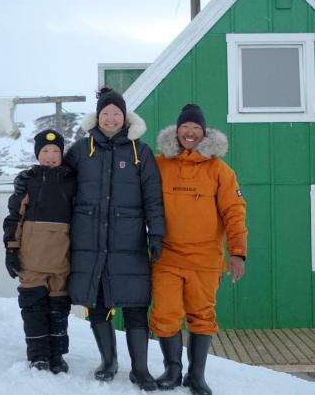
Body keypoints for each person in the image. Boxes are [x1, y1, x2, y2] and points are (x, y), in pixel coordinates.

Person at [64, 87, 165, 391]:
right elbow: (62, 189)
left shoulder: (141, 152)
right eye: (105, 113)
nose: (110, 118)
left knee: (135, 305)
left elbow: (153, 197)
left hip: (129, 244)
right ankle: (108, 361)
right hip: (90, 243)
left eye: (116, 113)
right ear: (98, 117)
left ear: (125, 118)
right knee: (97, 303)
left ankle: (140, 369)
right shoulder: (81, 150)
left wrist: (156, 234)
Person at [151, 104, 247, 395]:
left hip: (205, 259)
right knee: (165, 314)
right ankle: (172, 370)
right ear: (176, 131)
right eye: (185, 128)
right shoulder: (159, 164)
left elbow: (234, 211)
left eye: (195, 128)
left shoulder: (220, 170)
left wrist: (238, 252)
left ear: (204, 133)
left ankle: (196, 375)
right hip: (166, 256)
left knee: (202, 316)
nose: (190, 133)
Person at [2, 129, 77, 374]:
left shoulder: (72, 181)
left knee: (58, 310)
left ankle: (57, 355)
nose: (51, 155)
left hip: (62, 261)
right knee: (33, 309)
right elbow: (14, 218)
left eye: (56, 151)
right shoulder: (28, 181)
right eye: (45, 151)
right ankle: (38, 356)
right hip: (31, 259)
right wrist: (11, 249)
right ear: (37, 154)